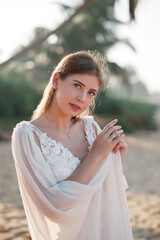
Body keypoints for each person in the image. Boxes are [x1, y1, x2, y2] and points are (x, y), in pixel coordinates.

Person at [11, 51, 133, 240]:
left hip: (102, 232)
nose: (82, 98)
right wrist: (95, 156)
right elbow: (54, 207)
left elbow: (104, 195)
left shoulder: (91, 127)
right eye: (77, 85)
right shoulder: (27, 136)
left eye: (91, 93)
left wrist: (112, 161)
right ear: (56, 80)